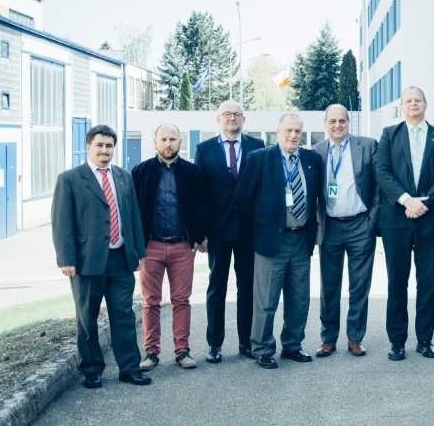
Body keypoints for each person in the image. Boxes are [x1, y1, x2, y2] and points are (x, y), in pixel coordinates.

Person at [51, 125, 151, 388]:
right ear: (89, 147)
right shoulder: (70, 179)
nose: (105, 150)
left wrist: (139, 253)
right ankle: (92, 369)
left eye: (109, 146)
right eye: (100, 145)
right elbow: (62, 223)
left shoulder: (123, 176)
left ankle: (129, 368)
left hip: (120, 260)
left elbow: (132, 217)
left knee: (124, 316)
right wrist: (66, 258)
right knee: (87, 319)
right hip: (86, 262)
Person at [235, 113, 322, 369]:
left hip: (300, 239)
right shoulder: (260, 158)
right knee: (266, 299)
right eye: (288, 131)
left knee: (299, 298)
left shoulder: (311, 159)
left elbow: (316, 196)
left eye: (297, 131)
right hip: (272, 240)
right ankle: (262, 348)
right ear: (278, 131)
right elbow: (243, 197)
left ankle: (293, 345)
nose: (293, 135)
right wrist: (264, 224)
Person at [376, 86, 434, 360]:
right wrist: (407, 200)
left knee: (427, 282)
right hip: (396, 220)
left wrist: (424, 202)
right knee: (397, 282)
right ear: (401, 106)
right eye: (408, 101)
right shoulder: (389, 135)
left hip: (430, 220)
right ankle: (397, 341)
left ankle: (425, 339)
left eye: (417, 100)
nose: (413, 104)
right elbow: (382, 172)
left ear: (426, 104)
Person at [132, 124, 209, 371]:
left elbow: (201, 206)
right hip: (151, 246)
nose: (168, 143)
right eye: (163, 139)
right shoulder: (141, 172)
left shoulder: (192, 172)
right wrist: (136, 243)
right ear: (155, 142)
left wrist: (198, 237)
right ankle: (151, 352)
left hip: (182, 246)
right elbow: (132, 210)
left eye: (173, 139)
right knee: (150, 301)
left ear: (180, 142)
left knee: (181, 300)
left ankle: (182, 351)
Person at [194, 99, 265, 363]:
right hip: (218, 230)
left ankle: (246, 342)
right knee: (217, 287)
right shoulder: (204, 149)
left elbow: (263, 189)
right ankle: (215, 344)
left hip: (249, 230)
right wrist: (200, 232)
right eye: (226, 114)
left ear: (244, 120)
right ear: (218, 119)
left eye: (237, 114)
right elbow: (200, 194)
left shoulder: (258, 147)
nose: (232, 118)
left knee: (247, 287)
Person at [314, 104, 379, 358]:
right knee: (329, 286)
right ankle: (328, 338)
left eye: (342, 121)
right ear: (325, 124)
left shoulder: (367, 146)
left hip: (360, 225)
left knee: (359, 285)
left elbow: (377, 185)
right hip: (329, 226)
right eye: (333, 121)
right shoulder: (317, 152)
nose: (337, 125)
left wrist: (371, 220)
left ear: (349, 122)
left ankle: (355, 337)